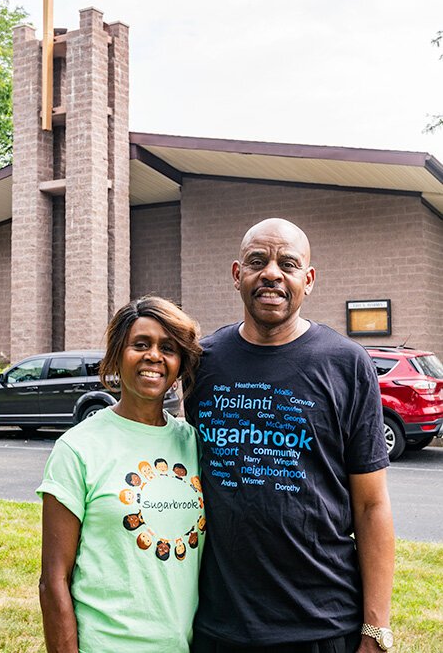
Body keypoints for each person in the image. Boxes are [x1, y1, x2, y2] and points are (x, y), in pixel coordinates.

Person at [185, 218, 395, 653]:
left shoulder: (347, 365)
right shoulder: (202, 363)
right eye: (257, 261)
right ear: (236, 274)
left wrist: (375, 630)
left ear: (309, 279)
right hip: (219, 624)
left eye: (288, 263)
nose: (272, 274)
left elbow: (372, 505)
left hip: (322, 624)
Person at [38, 296, 205, 653]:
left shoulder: (193, 443)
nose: (154, 356)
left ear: (179, 364)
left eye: (168, 348)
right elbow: (54, 581)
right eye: (140, 344)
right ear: (117, 355)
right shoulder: (77, 449)